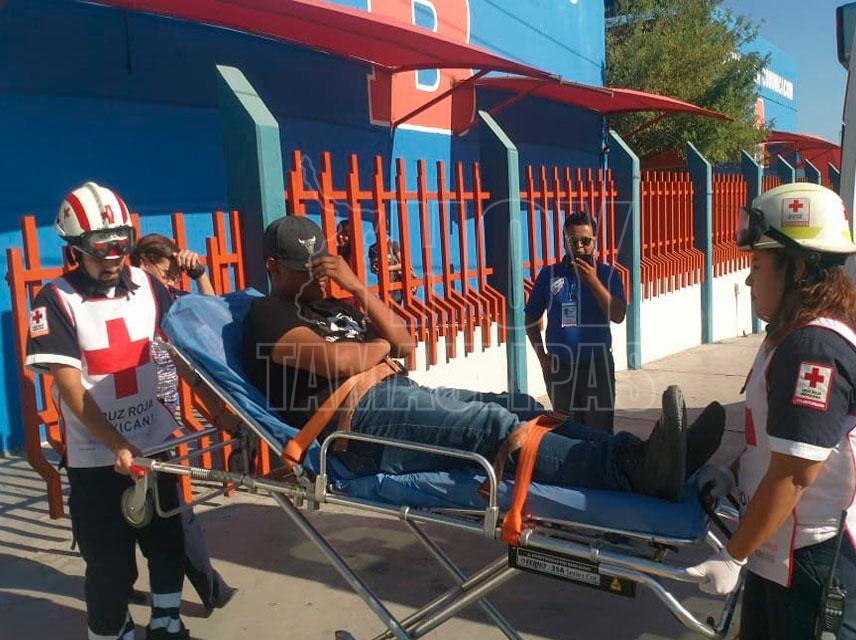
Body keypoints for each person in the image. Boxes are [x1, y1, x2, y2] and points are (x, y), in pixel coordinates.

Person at [242, 216, 725, 501]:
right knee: (492, 427)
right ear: (272, 267)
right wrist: (379, 350)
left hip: (397, 394)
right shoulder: (267, 314)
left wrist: (355, 286)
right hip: (358, 427)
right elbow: (338, 364)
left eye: (321, 265)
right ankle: (634, 472)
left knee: (520, 406)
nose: (316, 276)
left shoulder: (334, 306)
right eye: (303, 268)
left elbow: (404, 343)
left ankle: (642, 455)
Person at [686, 183, 856, 640]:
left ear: (798, 268)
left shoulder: (814, 349)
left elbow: (796, 474)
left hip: (826, 563)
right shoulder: (787, 336)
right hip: (783, 552)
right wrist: (733, 474)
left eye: (757, 266)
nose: (748, 281)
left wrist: (734, 555)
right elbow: (778, 444)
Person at [25, 183, 189, 639]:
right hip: (97, 461)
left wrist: (220, 410)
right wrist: (117, 443)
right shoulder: (55, 300)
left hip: (155, 448)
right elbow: (70, 386)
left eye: (122, 243)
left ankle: (167, 623)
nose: (115, 257)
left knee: (168, 544)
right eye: (102, 247)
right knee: (109, 564)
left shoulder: (148, 286)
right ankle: (110, 631)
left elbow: (182, 351)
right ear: (75, 248)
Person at [130, 234, 238, 612]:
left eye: (175, 274)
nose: (172, 280)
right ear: (142, 262)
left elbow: (211, 317)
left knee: (170, 511)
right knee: (166, 514)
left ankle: (210, 589)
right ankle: (207, 591)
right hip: (128, 427)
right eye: (167, 272)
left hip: (162, 425)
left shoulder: (168, 302)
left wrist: (201, 274)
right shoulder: (128, 305)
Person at [525, 211, 626, 433]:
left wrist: (593, 281)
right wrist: (542, 357)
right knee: (567, 430)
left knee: (599, 432)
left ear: (595, 241)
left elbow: (618, 315)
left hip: (596, 367)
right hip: (560, 369)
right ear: (564, 241)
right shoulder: (549, 275)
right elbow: (530, 318)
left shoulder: (608, 275)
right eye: (573, 241)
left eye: (585, 241)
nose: (579, 247)